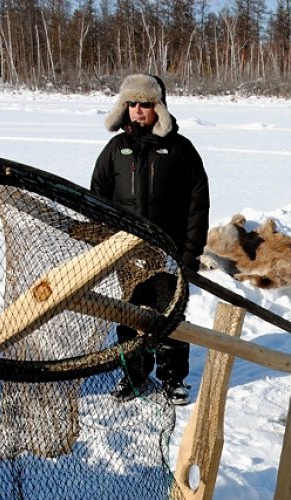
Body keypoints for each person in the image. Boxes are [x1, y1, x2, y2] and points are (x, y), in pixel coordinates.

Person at [91, 73, 210, 406]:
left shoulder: (181, 150)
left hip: (168, 253)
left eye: (145, 104)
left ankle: (173, 379)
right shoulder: (116, 149)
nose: (138, 111)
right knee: (128, 316)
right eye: (132, 104)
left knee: (169, 315)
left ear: (159, 107)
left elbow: (198, 207)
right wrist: (105, 241)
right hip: (126, 254)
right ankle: (133, 375)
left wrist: (190, 255)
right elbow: (97, 196)